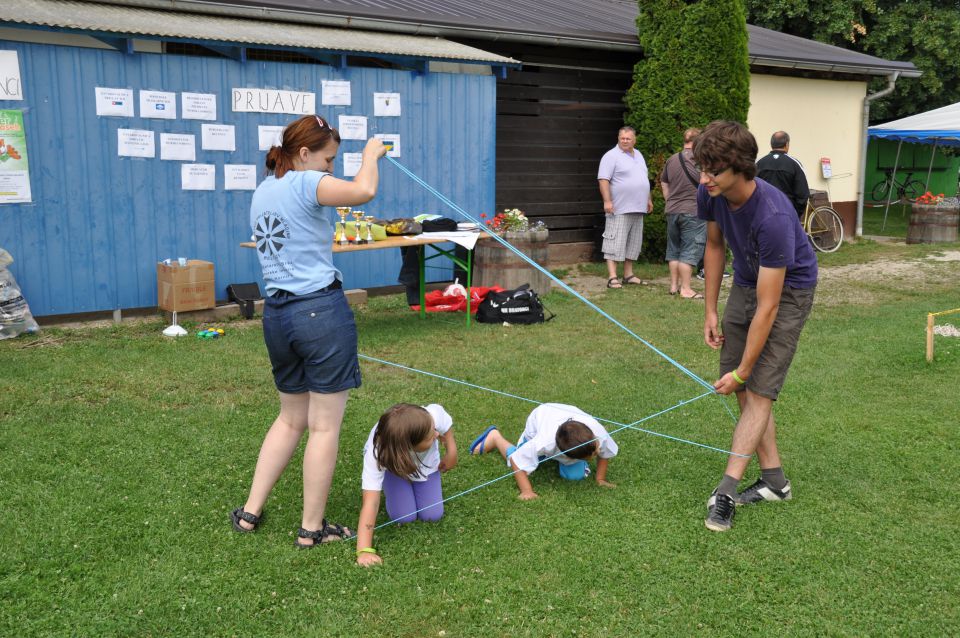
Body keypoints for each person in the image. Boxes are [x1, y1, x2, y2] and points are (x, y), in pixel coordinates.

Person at [231, 115, 387, 548]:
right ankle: (311, 529)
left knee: (289, 419)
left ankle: (250, 513)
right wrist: (371, 156)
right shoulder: (304, 182)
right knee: (322, 427)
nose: (330, 168)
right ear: (303, 154)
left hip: (277, 316)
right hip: (318, 311)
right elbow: (364, 191)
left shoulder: (264, 189)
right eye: (328, 159)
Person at [693, 120, 818, 532]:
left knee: (758, 387)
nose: (704, 177)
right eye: (702, 168)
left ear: (742, 167)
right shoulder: (710, 193)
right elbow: (714, 246)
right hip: (746, 281)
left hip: (789, 290)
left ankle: (726, 491)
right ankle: (775, 481)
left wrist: (745, 369)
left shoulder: (774, 215)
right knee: (742, 389)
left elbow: (769, 307)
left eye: (714, 170)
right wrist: (710, 310)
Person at [355, 403, 458, 567]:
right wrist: (364, 549)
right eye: (430, 437)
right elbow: (371, 502)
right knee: (404, 517)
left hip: (426, 466)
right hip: (394, 467)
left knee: (432, 514)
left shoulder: (431, 417)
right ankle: (399, 481)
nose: (436, 434)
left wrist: (451, 451)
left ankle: (413, 482)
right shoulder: (379, 455)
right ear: (408, 447)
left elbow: (446, 429)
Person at [469, 403, 618, 500]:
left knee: (576, 476)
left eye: (596, 447)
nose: (598, 451)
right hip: (540, 419)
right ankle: (496, 438)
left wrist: (600, 479)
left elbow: (605, 454)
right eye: (593, 454)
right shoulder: (542, 442)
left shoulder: (596, 433)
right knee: (521, 463)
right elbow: (517, 461)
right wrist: (527, 491)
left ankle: (559, 463)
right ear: (569, 456)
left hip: (563, 420)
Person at [597, 126, 654, 289]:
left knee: (633, 243)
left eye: (628, 138)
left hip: (638, 207)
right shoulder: (611, 156)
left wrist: (648, 198)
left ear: (634, 140)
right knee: (614, 241)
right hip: (619, 207)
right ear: (618, 138)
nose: (625, 141)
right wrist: (607, 201)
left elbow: (643, 179)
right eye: (622, 138)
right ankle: (612, 277)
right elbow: (603, 180)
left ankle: (628, 275)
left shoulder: (639, 155)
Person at [660, 127, 707, 299]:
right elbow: (705, 181)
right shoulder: (700, 160)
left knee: (673, 249)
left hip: (672, 210)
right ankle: (686, 289)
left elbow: (664, 182)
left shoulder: (672, 159)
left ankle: (674, 286)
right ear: (697, 141)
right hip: (692, 211)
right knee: (689, 250)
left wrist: (669, 200)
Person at [755, 131, 810, 217]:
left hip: (763, 214)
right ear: (787, 144)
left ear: (771, 144)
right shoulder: (795, 164)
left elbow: (751, 189)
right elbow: (802, 194)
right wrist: (795, 213)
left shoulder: (759, 163)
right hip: (787, 214)